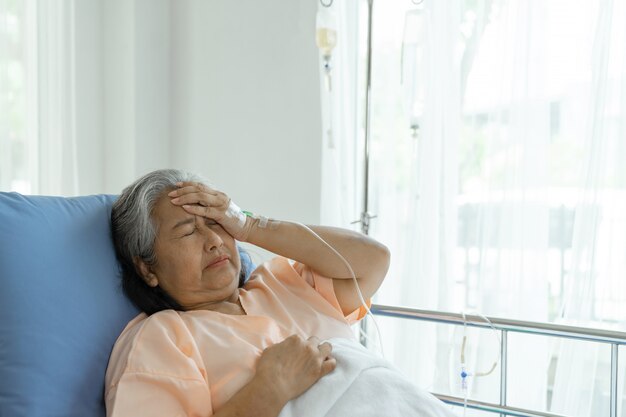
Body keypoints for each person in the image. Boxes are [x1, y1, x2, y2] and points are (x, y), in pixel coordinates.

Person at [105, 168, 391, 417]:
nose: (215, 241)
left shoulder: (282, 283)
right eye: (188, 232)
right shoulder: (161, 338)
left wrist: (251, 225)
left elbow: (374, 260)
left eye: (217, 222)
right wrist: (271, 387)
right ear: (147, 270)